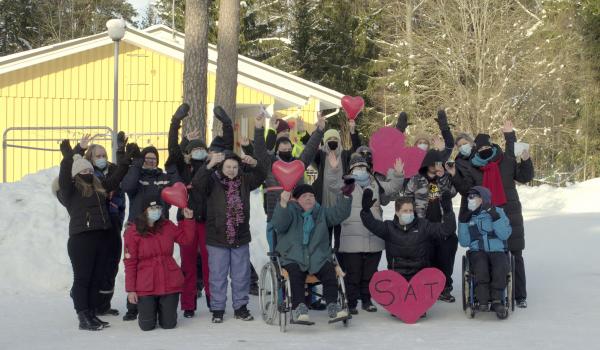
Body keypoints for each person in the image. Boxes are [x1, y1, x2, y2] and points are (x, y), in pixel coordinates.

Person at [193, 115, 269, 323]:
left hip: (240, 238)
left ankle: (240, 307)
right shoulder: (212, 182)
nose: (232, 170)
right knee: (217, 276)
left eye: (235, 167)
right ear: (222, 167)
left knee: (241, 275)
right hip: (217, 238)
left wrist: (253, 160)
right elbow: (197, 183)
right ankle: (217, 309)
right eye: (228, 167)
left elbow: (262, 175)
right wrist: (208, 165)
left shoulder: (245, 181)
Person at [447, 125, 533, 308]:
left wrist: (526, 160)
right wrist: (454, 176)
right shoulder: (474, 168)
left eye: (487, 147)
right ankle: (490, 294)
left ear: (493, 146)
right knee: (489, 253)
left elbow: (525, 176)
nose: (485, 151)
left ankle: (519, 295)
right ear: (476, 151)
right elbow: (466, 190)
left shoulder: (507, 160)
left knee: (514, 253)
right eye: (481, 149)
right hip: (485, 216)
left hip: (509, 213)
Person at [165, 103, 233, 318]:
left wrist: (227, 124)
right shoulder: (182, 166)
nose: (199, 151)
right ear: (188, 152)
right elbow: (172, 147)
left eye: (201, 148)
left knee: (210, 263)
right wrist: (176, 122)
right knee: (187, 265)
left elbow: (229, 149)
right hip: (186, 221)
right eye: (194, 148)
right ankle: (188, 303)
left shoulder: (213, 167)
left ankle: (214, 300)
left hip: (207, 222)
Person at [57, 138, 131, 330]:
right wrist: (76, 150)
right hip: (81, 240)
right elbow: (65, 170)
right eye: (83, 170)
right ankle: (83, 316)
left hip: (100, 238)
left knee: (96, 278)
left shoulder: (99, 188)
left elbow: (116, 178)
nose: (88, 172)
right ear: (76, 174)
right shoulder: (69, 191)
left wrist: (126, 159)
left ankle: (91, 313)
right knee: (83, 279)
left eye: (89, 170)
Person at [359, 189, 456, 319]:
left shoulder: (423, 226)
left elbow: (446, 230)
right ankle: (398, 305)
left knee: (422, 291)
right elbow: (371, 224)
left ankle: (419, 305)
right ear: (397, 212)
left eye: (411, 211)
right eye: (405, 211)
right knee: (392, 290)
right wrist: (365, 211)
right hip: (398, 276)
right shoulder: (388, 228)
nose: (409, 213)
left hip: (418, 275)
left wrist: (448, 211)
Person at [328, 154, 404, 314]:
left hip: (373, 234)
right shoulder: (346, 183)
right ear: (351, 170)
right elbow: (332, 184)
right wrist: (334, 170)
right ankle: (352, 301)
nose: (360, 170)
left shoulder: (375, 183)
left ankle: (367, 299)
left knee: (369, 272)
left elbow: (393, 188)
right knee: (353, 273)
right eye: (357, 167)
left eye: (363, 167)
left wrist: (397, 174)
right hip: (351, 234)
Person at [271, 183, 354, 324]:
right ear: (296, 199)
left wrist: (345, 196)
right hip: (293, 256)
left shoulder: (321, 212)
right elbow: (279, 224)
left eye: (311, 196)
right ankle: (299, 308)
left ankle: (333, 306)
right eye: (304, 196)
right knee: (295, 275)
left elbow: (339, 214)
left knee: (329, 271)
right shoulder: (290, 211)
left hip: (317, 256)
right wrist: (283, 203)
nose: (309, 198)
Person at [120, 142, 180, 321]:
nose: (151, 161)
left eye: (154, 159)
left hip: (159, 227)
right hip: (135, 227)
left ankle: (159, 303)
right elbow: (127, 185)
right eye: (147, 158)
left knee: (157, 262)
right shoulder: (136, 177)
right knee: (134, 264)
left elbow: (177, 186)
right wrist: (137, 164)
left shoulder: (163, 177)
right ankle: (132, 306)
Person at [123, 196, 196, 331]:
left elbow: (186, 240)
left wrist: (189, 220)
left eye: (158, 208)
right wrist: (131, 290)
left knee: (169, 324)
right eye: (152, 208)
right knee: (147, 326)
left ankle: (163, 309)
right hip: (146, 285)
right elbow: (130, 262)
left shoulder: (167, 226)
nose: (156, 211)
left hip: (169, 282)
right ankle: (150, 308)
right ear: (144, 210)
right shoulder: (132, 232)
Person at [405, 149, 458, 302]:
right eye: (434, 163)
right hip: (423, 226)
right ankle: (427, 287)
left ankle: (445, 287)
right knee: (426, 258)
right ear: (427, 164)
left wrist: (442, 178)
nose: (437, 166)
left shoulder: (444, 179)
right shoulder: (416, 180)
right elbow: (406, 197)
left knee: (445, 257)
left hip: (443, 226)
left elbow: (453, 192)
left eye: (438, 163)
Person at [458, 186, 512, 319]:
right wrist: (463, 222)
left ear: (483, 199)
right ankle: (482, 299)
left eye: (473, 197)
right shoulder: (469, 216)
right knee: (481, 266)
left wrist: (495, 217)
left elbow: (505, 234)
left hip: (497, 250)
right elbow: (464, 242)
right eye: (468, 198)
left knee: (499, 266)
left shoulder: (498, 212)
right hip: (478, 251)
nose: (469, 200)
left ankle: (497, 301)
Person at [311, 120, 361, 252]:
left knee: (340, 239)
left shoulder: (345, 155)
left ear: (339, 140)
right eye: (329, 139)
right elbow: (309, 151)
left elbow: (357, 150)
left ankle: (339, 261)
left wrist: (352, 132)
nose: (332, 141)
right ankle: (327, 262)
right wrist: (317, 131)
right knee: (324, 238)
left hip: (340, 202)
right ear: (325, 141)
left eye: (335, 138)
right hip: (324, 202)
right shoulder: (321, 155)